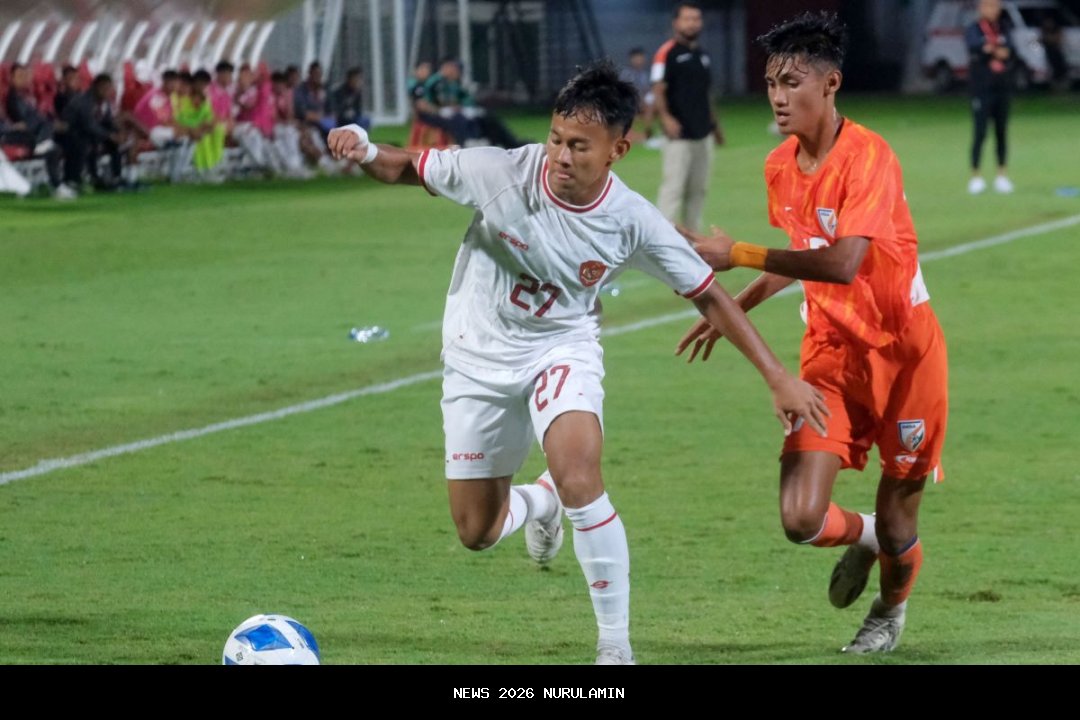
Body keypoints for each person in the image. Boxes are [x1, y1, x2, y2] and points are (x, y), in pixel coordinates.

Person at [326, 60, 828, 665]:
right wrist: (361, 148)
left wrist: (777, 377)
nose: (561, 157)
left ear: (618, 149)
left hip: (560, 349)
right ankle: (541, 502)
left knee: (582, 477)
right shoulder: (503, 172)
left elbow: (710, 295)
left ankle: (615, 649)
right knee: (477, 532)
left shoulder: (632, 221)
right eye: (556, 139)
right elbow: (404, 165)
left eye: (579, 146)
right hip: (476, 357)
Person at [676, 11, 948, 655]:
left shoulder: (869, 156)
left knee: (902, 518)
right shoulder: (779, 165)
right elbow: (805, 249)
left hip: (906, 355)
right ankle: (868, 538)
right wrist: (736, 305)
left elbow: (843, 262)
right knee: (800, 519)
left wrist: (737, 254)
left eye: (792, 82)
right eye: (771, 82)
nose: (777, 96)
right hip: (829, 353)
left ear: (830, 84)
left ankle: (887, 610)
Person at [651, 2, 725, 231]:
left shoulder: (702, 55)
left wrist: (715, 125)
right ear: (676, 23)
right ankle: (662, 238)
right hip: (679, 134)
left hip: (702, 132)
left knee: (698, 190)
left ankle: (693, 240)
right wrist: (666, 118)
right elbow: (657, 89)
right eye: (687, 19)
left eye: (696, 19)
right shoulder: (667, 53)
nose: (692, 23)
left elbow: (706, 93)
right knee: (673, 188)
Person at [416, 58, 525, 149]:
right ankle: (468, 142)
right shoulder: (434, 82)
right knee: (458, 118)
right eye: (454, 68)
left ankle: (508, 143)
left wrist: (462, 107)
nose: (457, 71)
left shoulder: (454, 84)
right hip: (435, 113)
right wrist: (441, 110)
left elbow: (466, 100)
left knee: (485, 116)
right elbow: (424, 104)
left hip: (454, 111)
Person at [966, 0, 1014, 195]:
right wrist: (995, 50)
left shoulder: (1004, 27)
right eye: (988, 6)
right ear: (981, 8)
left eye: (995, 6)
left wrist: (991, 49)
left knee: (1001, 132)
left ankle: (1002, 175)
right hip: (981, 90)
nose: (992, 10)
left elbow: (1009, 51)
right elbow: (976, 48)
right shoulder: (974, 29)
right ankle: (976, 176)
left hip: (1002, 88)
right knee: (980, 133)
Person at [3, 62, 71, 198]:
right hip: (13, 135)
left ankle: (57, 185)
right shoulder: (12, 97)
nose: (23, 79)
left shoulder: (26, 97)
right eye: (19, 76)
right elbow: (21, 118)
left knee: (54, 147)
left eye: (25, 75)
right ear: (11, 78)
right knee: (46, 124)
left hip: (29, 133)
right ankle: (42, 143)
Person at [59, 73, 127, 191]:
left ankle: (116, 177)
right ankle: (79, 178)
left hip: (89, 135)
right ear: (96, 87)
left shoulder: (104, 103)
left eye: (109, 89)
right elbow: (88, 125)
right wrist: (110, 135)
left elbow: (107, 122)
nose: (108, 92)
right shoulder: (83, 101)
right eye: (105, 89)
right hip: (69, 136)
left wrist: (117, 133)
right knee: (86, 143)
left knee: (113, 144)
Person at [618, 48, 658, 147]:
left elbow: (647, 91)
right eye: (636, 58)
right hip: (628, 103)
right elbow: (622, 92)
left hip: (641, 103)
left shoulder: (645, 74)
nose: (639, 60)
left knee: (651, 105)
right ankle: (642, 138)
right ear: (631, 59)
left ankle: (648, 134)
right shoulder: (626, 74)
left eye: (641, 58)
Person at [330, 66, 370, 130]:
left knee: (365, 120)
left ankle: (360, 135)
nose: (358, 81)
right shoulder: (339, 92)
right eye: (356, 79)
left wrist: (353, 113)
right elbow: (336, 109)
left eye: (359, 79)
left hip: (353, 118)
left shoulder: (357, 93)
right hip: (341, 119)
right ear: (349, 79)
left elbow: (358, 110)